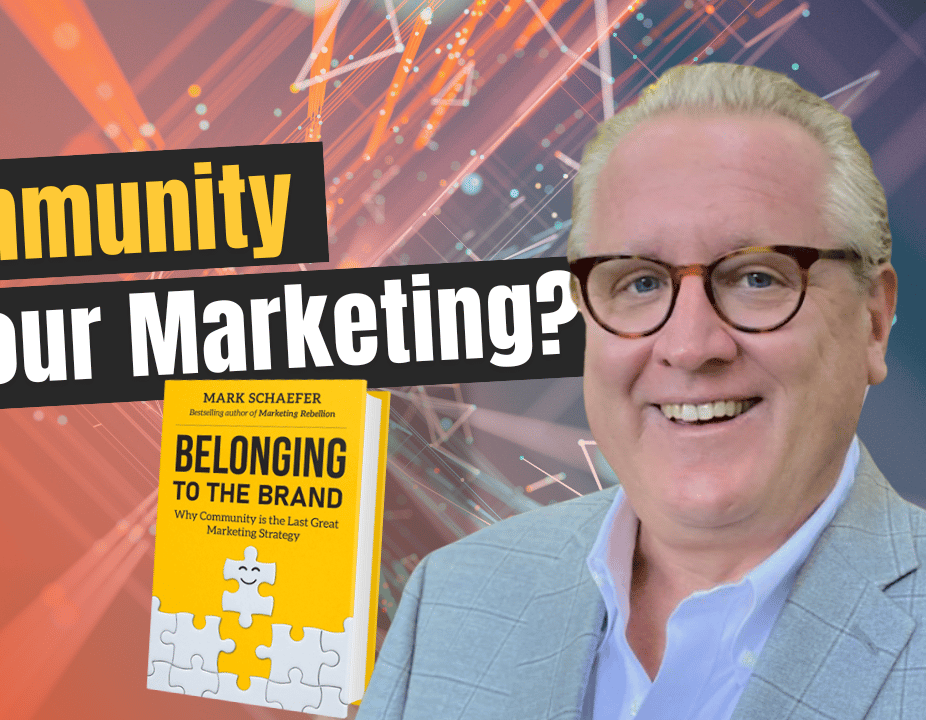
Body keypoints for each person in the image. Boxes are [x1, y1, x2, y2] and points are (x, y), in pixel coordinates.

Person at [357, 62, 919, 720]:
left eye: (758, 278)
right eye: (640, 283)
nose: (689, 345)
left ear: (874, 323)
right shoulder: (453, 600)